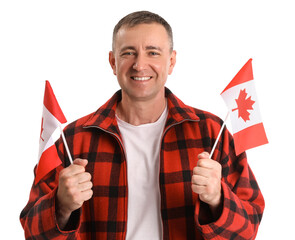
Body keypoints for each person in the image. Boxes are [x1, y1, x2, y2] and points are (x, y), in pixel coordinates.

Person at [20, 11, 265, 240]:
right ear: (113, 62)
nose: (139, 64)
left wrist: (217, 199)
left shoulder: (212, 132)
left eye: (153, 52)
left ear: (171, 61)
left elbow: (249, 227)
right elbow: (32, 231)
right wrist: (61, 206)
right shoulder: (73, 139)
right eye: (128, 53)